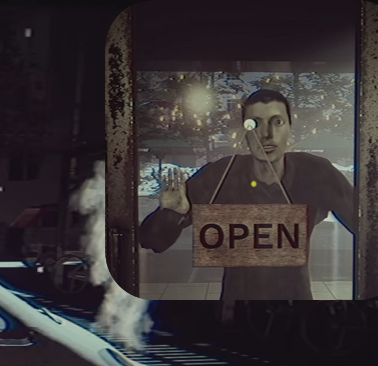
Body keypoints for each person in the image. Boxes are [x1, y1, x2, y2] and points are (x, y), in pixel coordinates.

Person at [139, 89, 356, 301]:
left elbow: (364, 224)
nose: (267, 134)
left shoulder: (316, 172)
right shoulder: (222, 174)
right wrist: (172, 212)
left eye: (277, 122)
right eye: (255, 124)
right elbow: (152, 242)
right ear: (245, 132)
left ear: (289, 129)